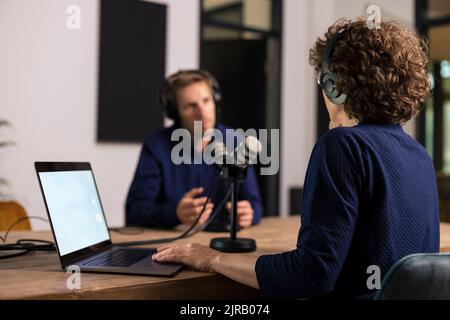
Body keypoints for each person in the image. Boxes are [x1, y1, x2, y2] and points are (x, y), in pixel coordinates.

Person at [151, 18, 440, 299]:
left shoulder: (342, 145)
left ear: (333, 85)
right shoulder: (419, 156)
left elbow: (311, 275)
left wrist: (212, 259)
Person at [126, 70, 263, 230]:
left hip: (223, 247)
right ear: (175, 113)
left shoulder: (236, 141)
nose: (202, 112)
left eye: (206, 100)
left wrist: (249, 214)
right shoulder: (156, 146)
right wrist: (174, 213)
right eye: (191, 106)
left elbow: (255, 204)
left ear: (215, 101)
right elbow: (135, 211)